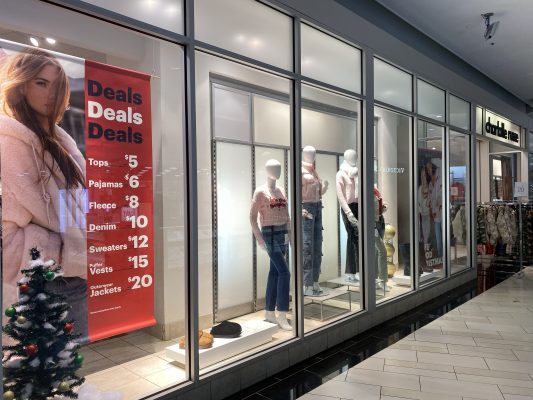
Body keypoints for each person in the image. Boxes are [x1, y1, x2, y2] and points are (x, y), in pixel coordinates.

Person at [0, 48, 88, 339]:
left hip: (73, 276)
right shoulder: (11, 142)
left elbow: (77, 206)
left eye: (57, 85)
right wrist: (61, 251)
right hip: (42, 280)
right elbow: (10, 229)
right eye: (41, 83)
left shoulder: (60, 141)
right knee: (39, 363)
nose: (51, 93)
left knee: (71, 360)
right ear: (21, 84)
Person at [250, 159, 291, 331]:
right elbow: (252, 218)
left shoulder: (281, 190)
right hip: (270, 234)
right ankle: (282, 313)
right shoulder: (260, 192)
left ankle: (268, 311)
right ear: (267, 171)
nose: (278, 171)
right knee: (284, 272)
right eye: (274, 169)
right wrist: (260, 239)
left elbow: (286, 214)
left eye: (279, 168)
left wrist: (290, 234)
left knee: (274, 272)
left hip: (283, 233)